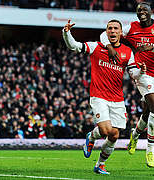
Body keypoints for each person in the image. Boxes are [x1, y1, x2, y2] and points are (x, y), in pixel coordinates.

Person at [100, 2, 154, 168]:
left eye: (144, 10)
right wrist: (108, 46)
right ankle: (150, 150)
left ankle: (134, 136)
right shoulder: (131, 28)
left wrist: (153, 47)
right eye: (138, 11)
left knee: (148, 110)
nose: (141, 12)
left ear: (151, 11)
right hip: (142, 74)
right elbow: (103, 35)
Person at [63, 19, 145, 174]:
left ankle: (100, 164)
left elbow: (133, 73)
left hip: (117, 98)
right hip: (99, 95)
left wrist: (141, 71)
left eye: (116, 29)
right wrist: (66, 33)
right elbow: (74, 46)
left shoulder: (127, 52)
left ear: (121, 33)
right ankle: (92, 137)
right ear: (106, 32)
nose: (113, 31)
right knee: (106, 130)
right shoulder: (97, 47)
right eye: (110, 29)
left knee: (114, 134)